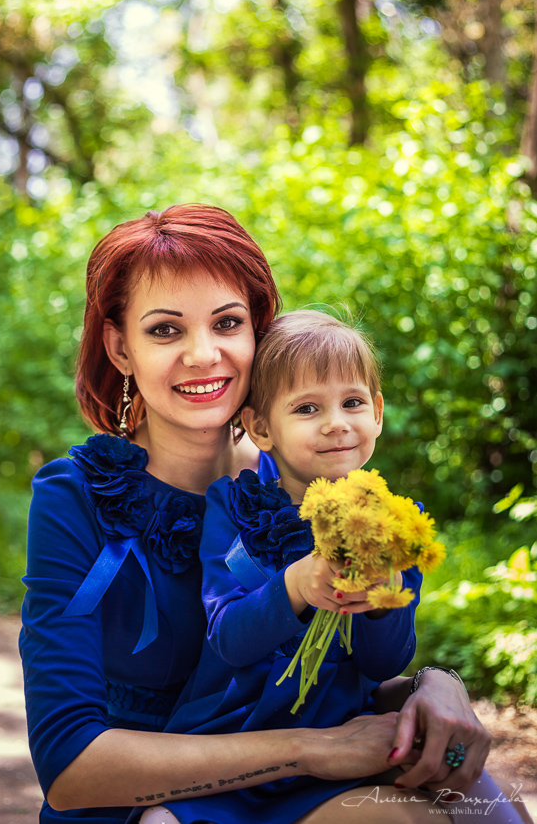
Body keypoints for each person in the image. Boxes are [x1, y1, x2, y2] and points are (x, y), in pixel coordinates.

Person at [19, 205, 496, 824]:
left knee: (481, 801)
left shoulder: (309, 476)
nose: (202, 353)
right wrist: (311, 750)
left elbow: (332, 669)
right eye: (165, 330)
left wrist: (434, 683)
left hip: (292, 789)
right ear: (120, 348)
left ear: (258, 335)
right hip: (139, 805)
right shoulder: (77, 498)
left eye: (227, 322)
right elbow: (68, 768)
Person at [157, 311, 530, 824]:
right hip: (233, 748)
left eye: (352, 402)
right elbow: (229, 638)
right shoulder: (234, 508)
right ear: (260, 427)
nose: (336, 422)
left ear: (377, 412)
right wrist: (296, 584)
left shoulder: (393, 525)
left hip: (344, 749)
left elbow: (383, 664)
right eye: (308, 407)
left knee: (491, 811)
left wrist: (382, 601)